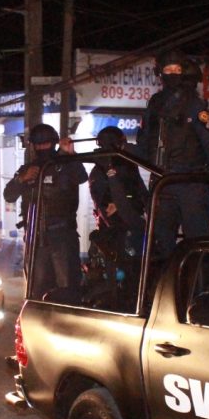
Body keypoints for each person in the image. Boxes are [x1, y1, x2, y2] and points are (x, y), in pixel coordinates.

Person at [136, 50, 209, 259]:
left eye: (177, 70)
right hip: (161, 179)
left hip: (190, 180)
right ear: (161, 73)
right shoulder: (155, 103)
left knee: (198, 242)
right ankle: (166, 287)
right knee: (161, 242)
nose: (173, 74)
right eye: (169, 70)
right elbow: (145, 139)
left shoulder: (194, 104)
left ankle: (202, 286)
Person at [3, 123, 87, 301]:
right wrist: (21, 179)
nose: (42, 148)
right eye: (38, 144)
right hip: (35, 237)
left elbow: (81, 176)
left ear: (54, 143)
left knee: (67, 289)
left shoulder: (64, 164)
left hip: (62, 236)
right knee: (37, 290)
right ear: (32, 146)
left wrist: (71, 154)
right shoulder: (27, 169)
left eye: (46, 144)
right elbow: (8, 195)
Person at [85, 126, 149, 311]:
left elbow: (141, 193)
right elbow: (106, 211)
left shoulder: (129, 165)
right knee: (118, 283)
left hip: (136, 232)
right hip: (115, 236)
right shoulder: (99, 172)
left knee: (137, 278)